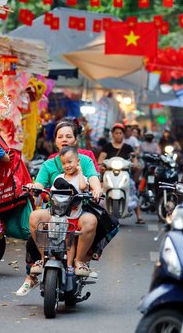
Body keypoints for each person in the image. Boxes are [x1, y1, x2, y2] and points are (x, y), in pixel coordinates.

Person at [14, 119, 103, 297]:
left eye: (68, 136)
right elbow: (39, 182)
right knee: (35, 218)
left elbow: (93, 177)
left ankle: (79, 261)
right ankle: (42, 259)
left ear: (75, 140)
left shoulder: (84, 160)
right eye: (60, 136)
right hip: (54, 210)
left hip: (78, 211)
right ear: (55, 140)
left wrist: (97, 188)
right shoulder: (49, 163)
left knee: (92, 221)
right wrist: (34, 187)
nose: (64, 139)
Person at [98, 123, 145, 224]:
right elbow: (101, 159)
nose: (118, 135)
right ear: (113, 134)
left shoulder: (128, 147)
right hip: (109, 173)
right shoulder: (107, 146)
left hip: (124, 174)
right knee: (99, 190)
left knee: (132, 188)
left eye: (120, 133)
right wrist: (101, 165)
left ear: (123, 134)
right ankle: (97, 212)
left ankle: (139, 215)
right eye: (116, 133)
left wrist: (134, 162)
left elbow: (135, 161)